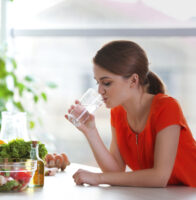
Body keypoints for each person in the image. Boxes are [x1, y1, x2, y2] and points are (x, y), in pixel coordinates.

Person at [65, 40, 196, 187]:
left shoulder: (167, 107)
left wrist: (99, 178)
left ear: (133, 80)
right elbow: (115, 172)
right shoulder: (118, 112)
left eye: (106, 83)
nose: (100, 91)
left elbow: (159, 177)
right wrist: (91, 131)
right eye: (98, 83)